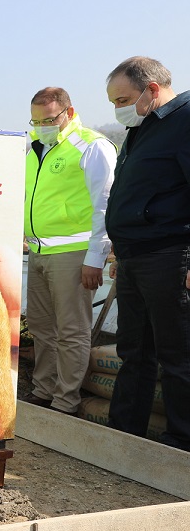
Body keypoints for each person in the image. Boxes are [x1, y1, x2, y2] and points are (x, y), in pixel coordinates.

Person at [104, 56, 190, 451]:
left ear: (152, 90)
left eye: (122, 98)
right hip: (135, 256)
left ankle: (179, 445)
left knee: (178, 354)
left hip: (170, 255)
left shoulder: (185, 120)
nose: (117, 109)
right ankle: (125, 434)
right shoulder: (142, 126)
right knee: (134, 351)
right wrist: (120, 250)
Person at [23, 87, 116, 415]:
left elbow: (104, 206)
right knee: (41, 327)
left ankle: (65, 402)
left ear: (70, 113)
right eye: (36, 120)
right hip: (37, 252)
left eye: (49, 119)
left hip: (73, 253)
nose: (42, 125)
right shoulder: (35, 148)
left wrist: (95, 258)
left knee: (71, 330)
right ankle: (44, 390)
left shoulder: (92, 146)